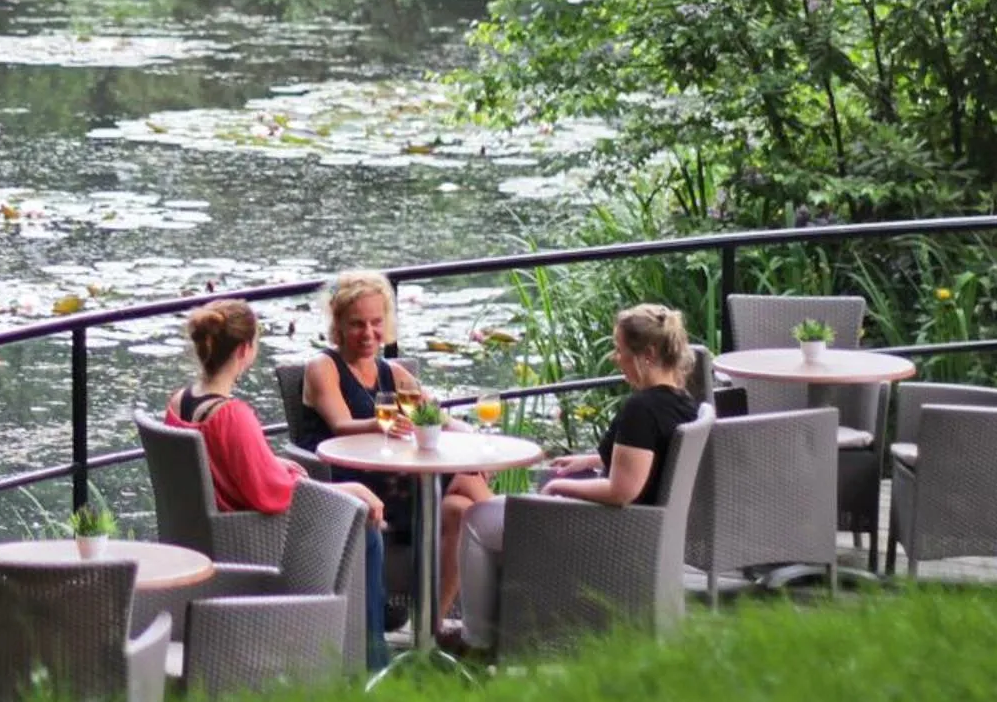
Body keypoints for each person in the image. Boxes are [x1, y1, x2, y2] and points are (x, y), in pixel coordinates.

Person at [167, 298, 391, 669]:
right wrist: (349, 491)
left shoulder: (180, 402)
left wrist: (275, 463)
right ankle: (370, 661)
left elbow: (237, 466)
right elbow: (270, 495)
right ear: (245, 350)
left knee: (356, 511)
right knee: (365, 525)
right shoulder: (233, 415)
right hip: (257, 535)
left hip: (215, 527)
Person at [456, 301, 702, 625]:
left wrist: (561, 486)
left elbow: (622, 491)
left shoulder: (641, 408)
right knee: (478, 505)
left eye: (620, 349)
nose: (616, 358)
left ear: (649, 354)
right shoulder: (683, 402)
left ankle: (478, 636)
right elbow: (648, 456)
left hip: (607, 531)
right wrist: (589, 460)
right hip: (645, 529)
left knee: (475, 518)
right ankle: (504, 620)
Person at [296, 270, 493, 639]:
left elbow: (436, 419)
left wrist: (475, 436)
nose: (369, 334)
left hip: (395, 482)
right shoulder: (323, 368)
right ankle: (512, 564)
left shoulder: (395, 372)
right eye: (357, 325)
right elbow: (340, 425)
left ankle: (430, 629)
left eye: (376, 323)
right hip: (348, 483)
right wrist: (382, 423)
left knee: (464, 512)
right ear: (337, 326)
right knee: (470, 482)